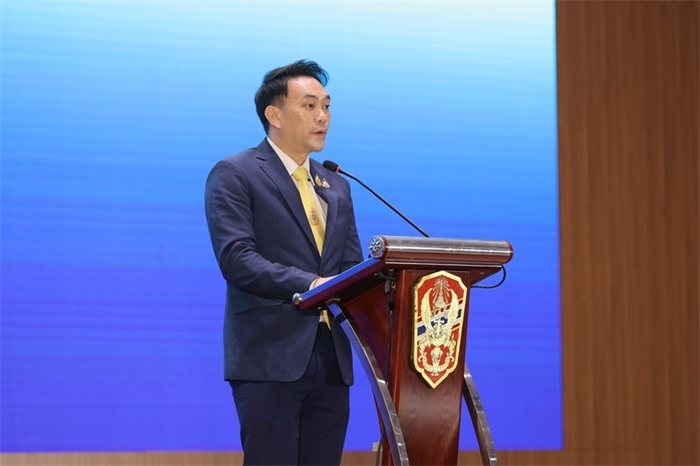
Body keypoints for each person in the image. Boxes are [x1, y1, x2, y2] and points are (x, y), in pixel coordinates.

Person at [204, 59, 364, 465]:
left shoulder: (337, 185)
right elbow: (237, 258)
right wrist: (310, 284)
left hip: (331, 359)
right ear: (273, 115)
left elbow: (352, 266)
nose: (322, 116)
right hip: (269, 355)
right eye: (309, 106)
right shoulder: (236, 173)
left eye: (326, 106)